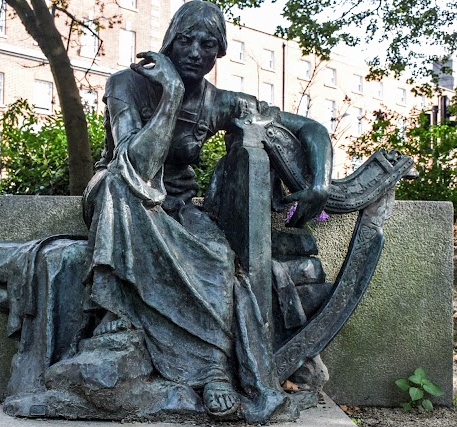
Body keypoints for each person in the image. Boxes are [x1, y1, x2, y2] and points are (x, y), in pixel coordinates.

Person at [81, 0, 333, 422]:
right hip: (120, 199)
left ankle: (213, 368)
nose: (196, 51)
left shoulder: (218, 102)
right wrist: (171, 95)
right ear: (169, 41)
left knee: (218, 255)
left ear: (219, 52)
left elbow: (309, 129)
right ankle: (117, 308)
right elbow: (133, 164)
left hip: (176, 206)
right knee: (117, 185)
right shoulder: (126, 84)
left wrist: (320, 184)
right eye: (186, 40)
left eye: (208, 43)